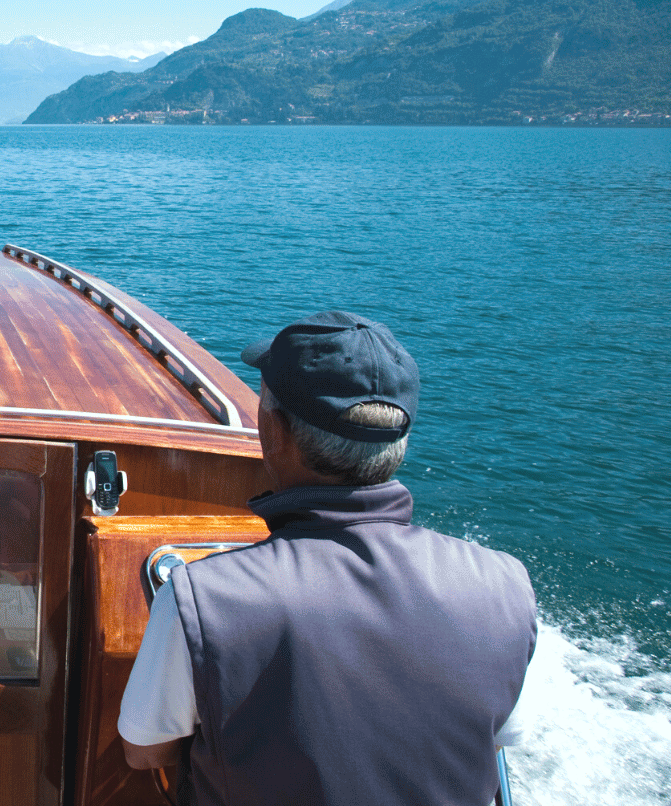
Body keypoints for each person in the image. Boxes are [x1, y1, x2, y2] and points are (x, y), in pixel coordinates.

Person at [118, 311, 536, 806]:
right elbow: (505, 734)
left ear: (273, 433)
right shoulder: (505, 584)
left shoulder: (201, 600)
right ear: (400, 441)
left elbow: (144, 750)